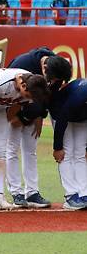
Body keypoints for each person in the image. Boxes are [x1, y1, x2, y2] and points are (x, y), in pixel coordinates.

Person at [0, 69, 48, 211]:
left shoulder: (31, 87)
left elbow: (16, 104)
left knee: (1, 154)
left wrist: (4, 123)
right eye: (29, 96)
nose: (30, 99)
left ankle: (0, 196)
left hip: (0, 113)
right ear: (23, 86)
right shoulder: (1, 82)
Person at [6, 48, 71, 208]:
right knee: (11, 149)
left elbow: (49, 97)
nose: (55, 82)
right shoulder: (23, 64)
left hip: (33, 113)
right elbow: (11, 92)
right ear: (45, 69)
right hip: (13, 109)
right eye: (54, 79)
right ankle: (16, 193)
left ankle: (32, 193)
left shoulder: (57, 68)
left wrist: (40, 116)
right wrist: (17, 117)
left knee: (30, 150)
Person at [48, 79, 87, 210]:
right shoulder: (80, 95)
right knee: (67, 152)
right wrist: (58, 147)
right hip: (61, 113)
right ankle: (71, 196)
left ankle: (84, 194)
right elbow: (62, 118)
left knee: (81, 154)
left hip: (82, 116)